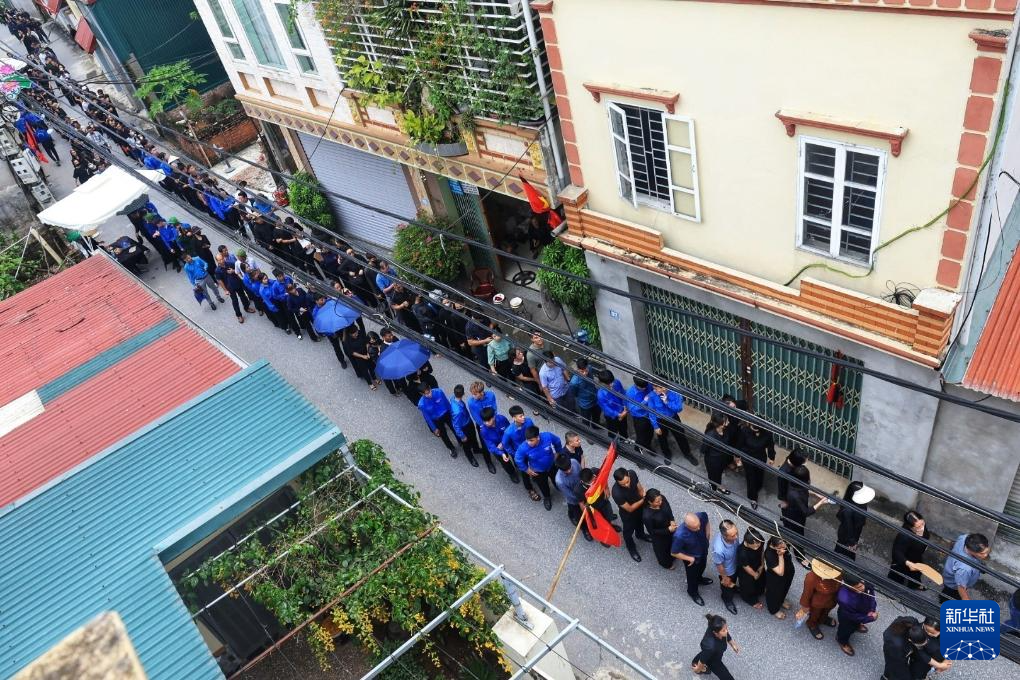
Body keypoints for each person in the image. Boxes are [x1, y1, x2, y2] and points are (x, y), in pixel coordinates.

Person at [645, 383, 695, 465]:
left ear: (664, 388)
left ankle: (687, 454)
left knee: (681, 436)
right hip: (660, 420)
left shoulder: (675, 393)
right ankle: (667, 454)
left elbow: (679, 408)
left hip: (673, 418)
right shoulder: (652, 395)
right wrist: (655, 426)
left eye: (656, 388)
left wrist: (667, 402)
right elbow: (651, 412)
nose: (654, 390)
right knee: (662, 438)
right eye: (653, 388)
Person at [514, 426, 562, 511]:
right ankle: (547, 497)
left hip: (551, 465)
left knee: (556, 478)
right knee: (543, 485)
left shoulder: (548, 436)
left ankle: (558, 487)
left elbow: (557, 441)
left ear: (538, 437)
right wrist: (526, 469)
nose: (528, 442)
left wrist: (558, 453)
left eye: (531, 440)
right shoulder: (523, 447)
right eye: (527, 440)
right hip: (538, 471)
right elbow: (518, 459)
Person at [673, 512, 713, 605]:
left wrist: (707, 534)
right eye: (695, 528)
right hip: (691, 558)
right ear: (687, 525)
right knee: (692, 577)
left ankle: (699, 579)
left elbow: (706, 521)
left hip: (702, 551)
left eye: (699, 525)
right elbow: (674, 552)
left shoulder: (701, 516)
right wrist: (690, 559)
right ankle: (692, 592)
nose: (698, 528)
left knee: (702, 566)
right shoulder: (679, 535)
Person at [795, 559, 841, 640]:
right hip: (817, 604)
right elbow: (806, 594)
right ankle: (812, 624)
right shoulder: (811, 577)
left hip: (831, 600)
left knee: (826, 611)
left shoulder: (838, 574)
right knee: (814, 615)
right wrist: (804, 607)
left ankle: (823, 619)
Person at [611, 467, 650, 562]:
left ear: (628, 475)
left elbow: (639, 488)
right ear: (617, 482)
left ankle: (640, 534)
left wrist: (643, 494)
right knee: (628, 532)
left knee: (640, 522)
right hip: (628, 514)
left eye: (627, 481)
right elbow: (630, 508)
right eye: (623, 484)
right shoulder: (616, 493)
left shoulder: (632, 473)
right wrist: (643, 500)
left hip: (639, 505)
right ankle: (631, 548)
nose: (626, 485)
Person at [835, 574, 878, 656]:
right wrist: (870, 618)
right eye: (857, 587)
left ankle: (857, 625)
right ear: (848, 586)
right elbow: (853, 616)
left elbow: (872, 596)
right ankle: (842, 641)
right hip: (848, 617)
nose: (862, 589)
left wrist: (872, 610)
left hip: (863, 612)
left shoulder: (867, 583)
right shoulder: (844, 598)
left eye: (861, 585)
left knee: (856, 623)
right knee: (846, 630)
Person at [940, 532, 990, 601]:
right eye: (982, 553)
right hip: (953, 585)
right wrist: (965, 599)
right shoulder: (965, 568)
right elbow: (961, 587)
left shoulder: (964, 538)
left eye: (986, 551)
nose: (985, 555)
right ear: (971, 551)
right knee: (950, 595)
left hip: (950, 570)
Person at [888, 511, 931, 590]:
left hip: (916, 556)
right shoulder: (904, 536)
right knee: (897, 574)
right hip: (904, 559)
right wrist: (908, 563)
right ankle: (893, 588)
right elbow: (897, 552)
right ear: (911, 528)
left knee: (916, 573)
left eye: (922, 524)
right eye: (918, 527)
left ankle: (914, 585)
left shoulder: (922, 527)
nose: (922, 528)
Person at [781, 465, 829, 536]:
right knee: (797, 533)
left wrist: (816, 494)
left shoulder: (793, 482)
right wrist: (821, 502)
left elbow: (803, 489)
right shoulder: (796, 496)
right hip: (795, 517)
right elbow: (806, 512)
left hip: (790, 511)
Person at [554, 454, 592, 541]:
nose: (569, 470)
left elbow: (582, 473)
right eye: (566, 470)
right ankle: (585, 529)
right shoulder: (559, 481)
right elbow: (570, 495)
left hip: (583, 492)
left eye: (570, 467)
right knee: (578, 514)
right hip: (574, 500)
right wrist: (582, 499)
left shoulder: (574, 462)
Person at [739, 421, 775, 510]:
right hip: (748, 458)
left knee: (759, 474)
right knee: (751, 478)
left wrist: (771, 457)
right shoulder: (744, 431)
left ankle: (758, 487)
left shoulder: (767, 433)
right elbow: (740, 444)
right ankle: (753, 498)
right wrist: (738, 456)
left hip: (760, 457)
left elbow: (770, 446)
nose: (755, 430)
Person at [691, 614, 739, 680]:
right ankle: (702, 667)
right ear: (715, 633)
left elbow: (725, 633)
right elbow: (702, 660)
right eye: (724, 630)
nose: (726, 631)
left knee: (704, 655)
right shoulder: (710, 646)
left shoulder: (716, 627)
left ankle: (697, 663)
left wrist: (732, 644)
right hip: (713, 660)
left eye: (726, 628)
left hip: (713, 653)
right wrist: (698, 669)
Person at [479, 406, 520, 483]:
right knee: (505, 462)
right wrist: (501, 453)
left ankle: (518, 465)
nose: (486, 423)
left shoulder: (502, 419)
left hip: (508, 442)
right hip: (498, 448)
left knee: (515, 455)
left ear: (494, 416)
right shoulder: (484, 431)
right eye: (484, 421)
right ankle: (512, 473)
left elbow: (510, 430)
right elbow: (490, 445)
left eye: (488, 420)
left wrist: (503, 442)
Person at [836, 482, 874, 560]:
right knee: (843, 551)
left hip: (855, 532)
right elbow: (848, 527)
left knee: (848, 552)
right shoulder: (848, 510)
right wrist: (852, 542)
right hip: (847, 535)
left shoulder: (861, 501)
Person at [417, 384, 458, 456]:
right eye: (426, 394)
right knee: (443, 435)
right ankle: (451, 448)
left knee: (454, 427)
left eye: (429, 392)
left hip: (446, 414)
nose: (429, 395)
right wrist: (434, 428)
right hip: (437, 419)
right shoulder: (422, 404)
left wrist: (452, 414)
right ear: (422, 394)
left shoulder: (439, 392)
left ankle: (460, 440)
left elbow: (447, 403)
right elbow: (427, 418)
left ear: (430, 388)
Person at [712, 519, 741, 615]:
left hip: (735, 564)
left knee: (734, 581)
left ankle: (733, 588)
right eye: (732, 536)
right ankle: (727, 599)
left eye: (736, 533)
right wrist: (724, 578)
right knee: (727, 587)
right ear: (724, 536)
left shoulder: (733, 536)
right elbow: (719, 565)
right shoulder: (718, 550)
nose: (736, 537)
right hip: (728, 572)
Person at [643, 489, 676, 570]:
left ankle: (673, 555)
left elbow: (668, 509)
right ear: (650, 502)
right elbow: (652, 531)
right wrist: (668, 530)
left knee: (672, 544)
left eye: (660, 499)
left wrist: (672, 519)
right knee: (662, 551)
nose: (661, 502)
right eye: (657, 502)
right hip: (659, 537)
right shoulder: (647, 516)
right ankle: (666, 564)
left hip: (670, 529)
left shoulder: (662, 498)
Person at [450, 384, 483, 469]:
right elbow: (456, 425)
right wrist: (462, 436)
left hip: (468, 422)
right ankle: (470, 457)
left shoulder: (453, 398)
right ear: (463, 393)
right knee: (466, 444)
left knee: (473, 437)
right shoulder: (457, 411)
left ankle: (476, 449)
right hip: (464, 427)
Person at [701, 412, 733, 494]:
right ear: (721, 425)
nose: (728, 422)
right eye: (726, 421)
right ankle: (713, 490)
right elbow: (703, 449)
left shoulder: (725, 430)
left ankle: (718, 486)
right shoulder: (710, 435)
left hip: (722, 458)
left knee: (718, 474)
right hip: (713, 460)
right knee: (713, 476)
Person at [764, 537, 794, 619]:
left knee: (785, 588)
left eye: (785, 543)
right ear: (774, 545)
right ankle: (774, 610)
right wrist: (780, 556)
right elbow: (780, 572)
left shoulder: (785, 543)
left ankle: (781, 601)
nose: (785, 546)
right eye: (781, 544)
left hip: (788, 571)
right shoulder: (769, 554)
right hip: (776, 578)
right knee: (774, 593)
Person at [736, 529, 765, 609]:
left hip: (757, 564)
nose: (757, 547)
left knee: (760, 581)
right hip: (746, 571)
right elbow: (746, 567)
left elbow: (762, 551)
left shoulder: (760, 540)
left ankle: (759, 591)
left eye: (758, 545)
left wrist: (762, 564)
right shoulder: (741, 552)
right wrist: (755, 574)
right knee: (748, 586)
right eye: (754, 546)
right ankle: (750, 599)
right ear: (746, 542)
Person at [596, 369, 628, 438]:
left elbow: (623, 394)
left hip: (622, 411)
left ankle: (624, 439)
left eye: (612, 382)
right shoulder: (601, 395)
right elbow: (607, 409)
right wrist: (619, 415)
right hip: (611, 416)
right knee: (612, 431)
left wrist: (625, 407)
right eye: (609, 384)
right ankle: (612, 441)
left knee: (624, 428)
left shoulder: (617, 382)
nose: (612, 384)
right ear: (602, 383)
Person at [569, 358, 600, 429]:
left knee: (597, 415)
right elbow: (574, 393)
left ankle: (595, 426)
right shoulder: (574, 382)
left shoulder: (590, 368)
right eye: (582, 371)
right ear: (578, 369)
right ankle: (587, 431)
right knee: (586, 421)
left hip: (595, 398)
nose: (585, 373)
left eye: (586, 370)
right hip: (585, 404)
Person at [626, 377, 654, 450]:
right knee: (641, 435)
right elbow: (632, 408)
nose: (644, 389)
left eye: (645, 387)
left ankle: (647, 446)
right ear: (636, 384)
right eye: (642, 388)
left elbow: (653, 391)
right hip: (639, 417)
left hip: (650, 413)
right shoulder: (630, 393)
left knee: (650, 432)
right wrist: (644, 401)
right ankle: (638, 449)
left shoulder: (648, 385)